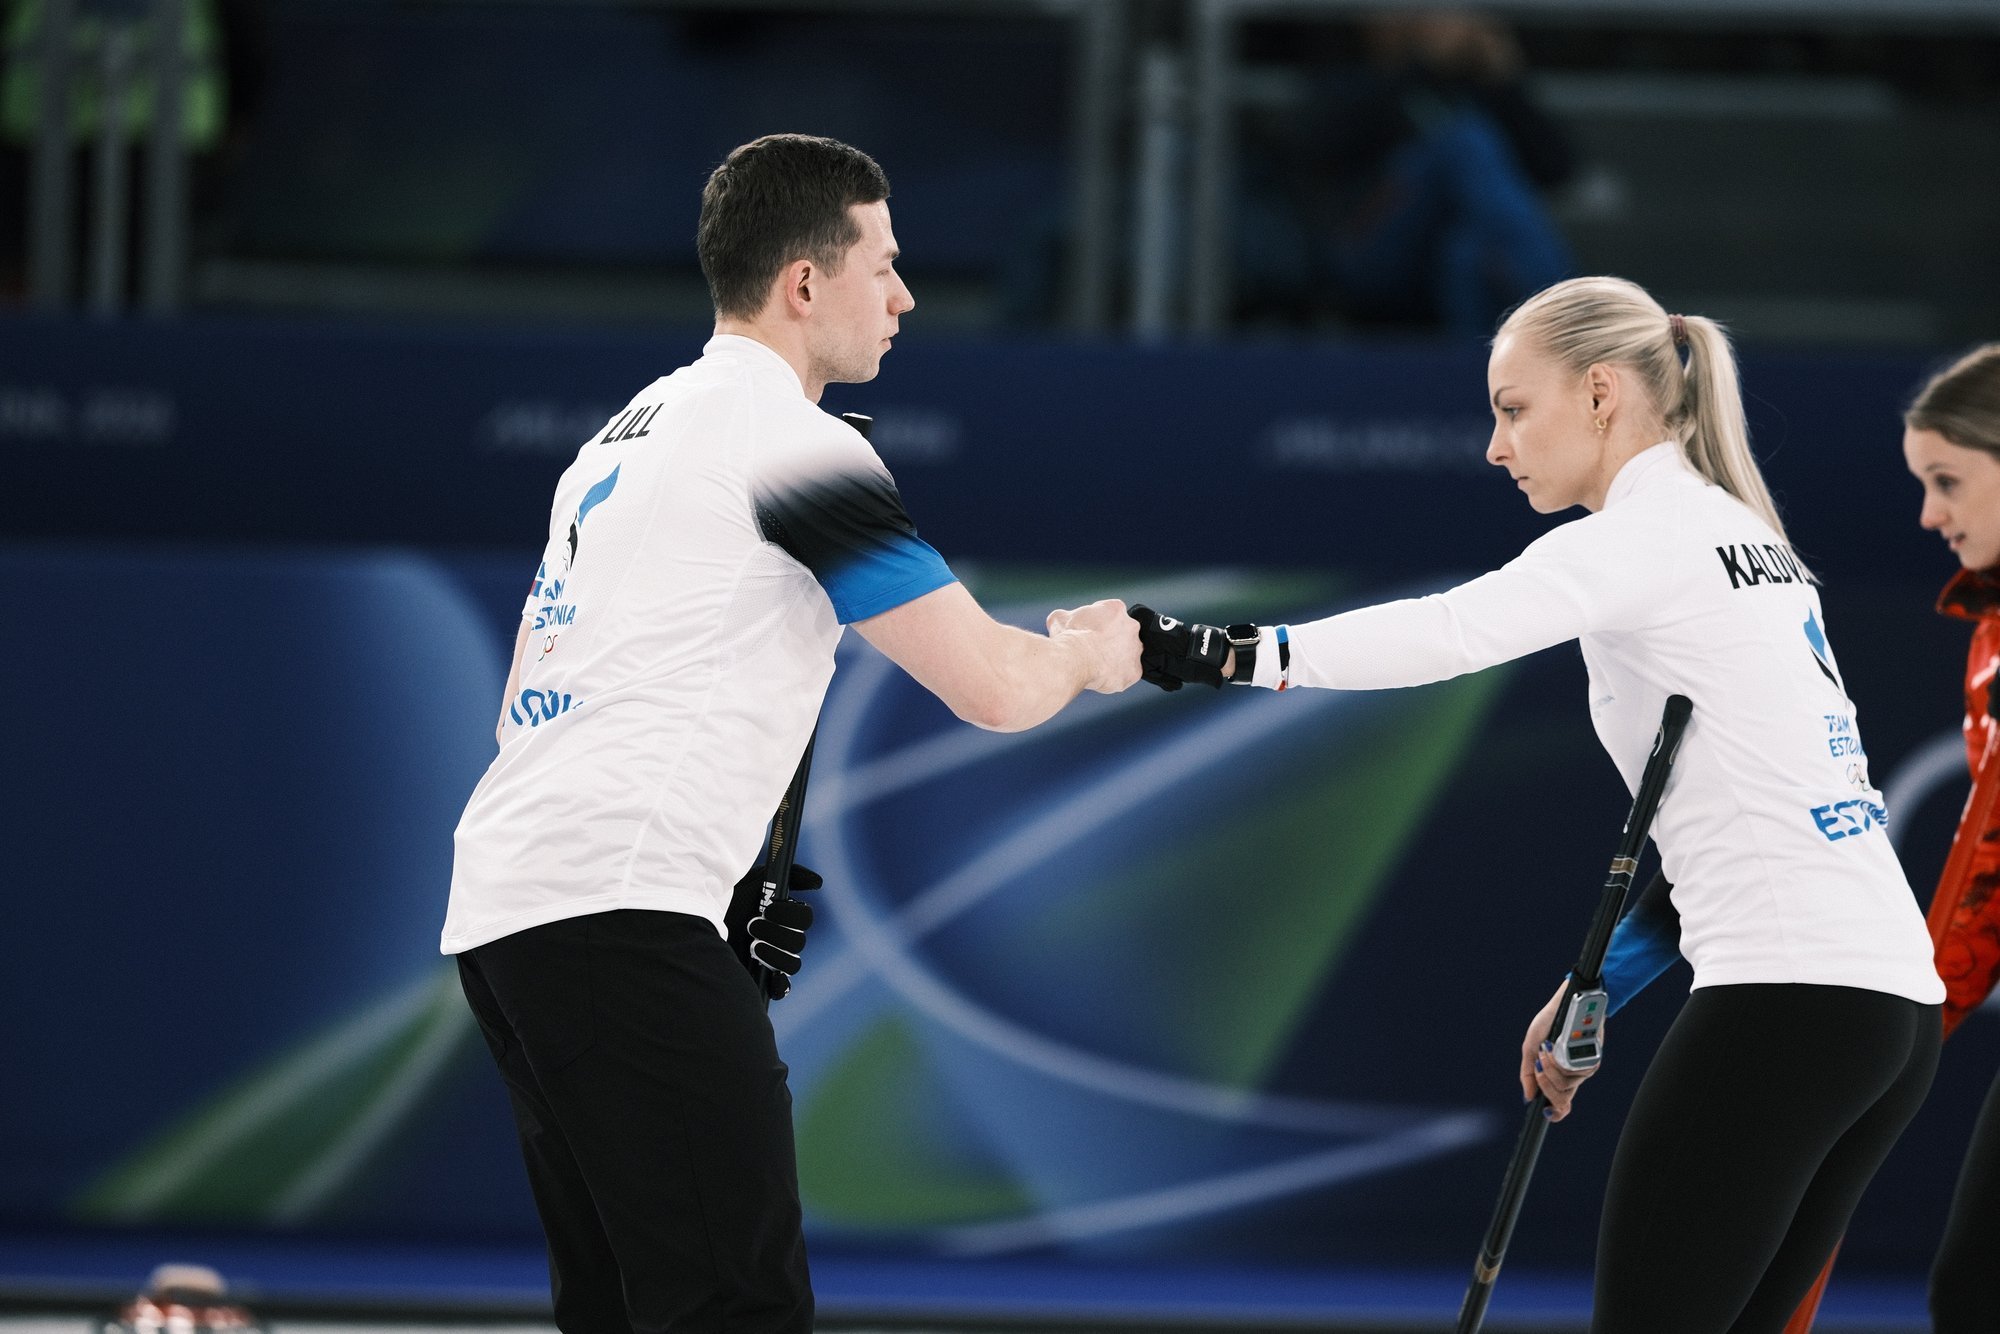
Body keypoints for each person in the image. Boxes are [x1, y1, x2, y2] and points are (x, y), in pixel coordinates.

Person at [1130, 275, 1944, 1333]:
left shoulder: (1640, 539)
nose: (1493, 444)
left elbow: (1446, 632)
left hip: (1787, 1003)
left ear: (1600, 393)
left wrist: (1208, 651)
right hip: (1885, 1013)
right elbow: (1765, 814)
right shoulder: (1746, 539)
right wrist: (1595, 979)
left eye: (1513, 408)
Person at [442, 133, 1140, 1334]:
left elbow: (535, 691)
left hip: (513, 906)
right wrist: (1090, 650)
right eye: (883, 264)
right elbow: (991, 685)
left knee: (622, 1307)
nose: (905, 295)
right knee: (732, 1306)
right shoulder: (800, 446)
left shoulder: (624, 431)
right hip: (621, 906)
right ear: (803, 283)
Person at [1901, 343, 2000, 1332]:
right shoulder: (1988, 629)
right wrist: (1902, 1030)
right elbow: (1987, 868)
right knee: (1972, 1287)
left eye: (1946, 480)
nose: (1928, 513)